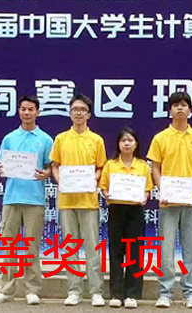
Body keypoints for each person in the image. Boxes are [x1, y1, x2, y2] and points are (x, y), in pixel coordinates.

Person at [147, 92, 192, 309]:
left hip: (191, 202)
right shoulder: (160, 138)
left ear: (190, 110)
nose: (180, 109)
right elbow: (155, 168)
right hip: (167, 202)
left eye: (184, 105)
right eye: (175, 105)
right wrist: (162, 189)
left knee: (190, 250)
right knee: (166, 249)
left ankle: (190, 293)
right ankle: (165, 292)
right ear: (170, 110)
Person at [0, 95, 54, 305]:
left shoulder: (45, 139)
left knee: (31, 246)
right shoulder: (9, 138)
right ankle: (6, 290)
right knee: (8, 244)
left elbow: (50, 167)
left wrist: (46, 173)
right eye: (23, 109)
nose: (26, 113)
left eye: (30, 109)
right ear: (19, 111)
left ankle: (32, 290)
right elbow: (2, 165)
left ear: (38, 112)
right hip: (12, 198)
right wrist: (1, 169)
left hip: (35, 199)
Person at [51, 93, 107, 306]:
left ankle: (96, 291)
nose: (79, 113)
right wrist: (60, 180)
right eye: (75, 109)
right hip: (67, 201)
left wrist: (93, 179)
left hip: (88, 201)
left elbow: (101, 167)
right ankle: (74, 290)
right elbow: (55, 165)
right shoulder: (61, 139)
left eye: (83, 110)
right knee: (70, 247)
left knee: (92, 247)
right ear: (70, 113)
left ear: (89, 114)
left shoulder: (96, 140)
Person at [99, 128, 153, 309]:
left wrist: (145, 197)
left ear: (136, 144)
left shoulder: (143, 166)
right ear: (118, 144)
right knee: (116, 252)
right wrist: (106, 194)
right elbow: (104, 186)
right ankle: (116, 293)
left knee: (134, 252)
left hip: (135, 212)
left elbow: (147, 188)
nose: (127, 143)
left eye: (130, 140)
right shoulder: (111, 165)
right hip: (116, 210)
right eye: (123, 140)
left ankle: (131, 294)